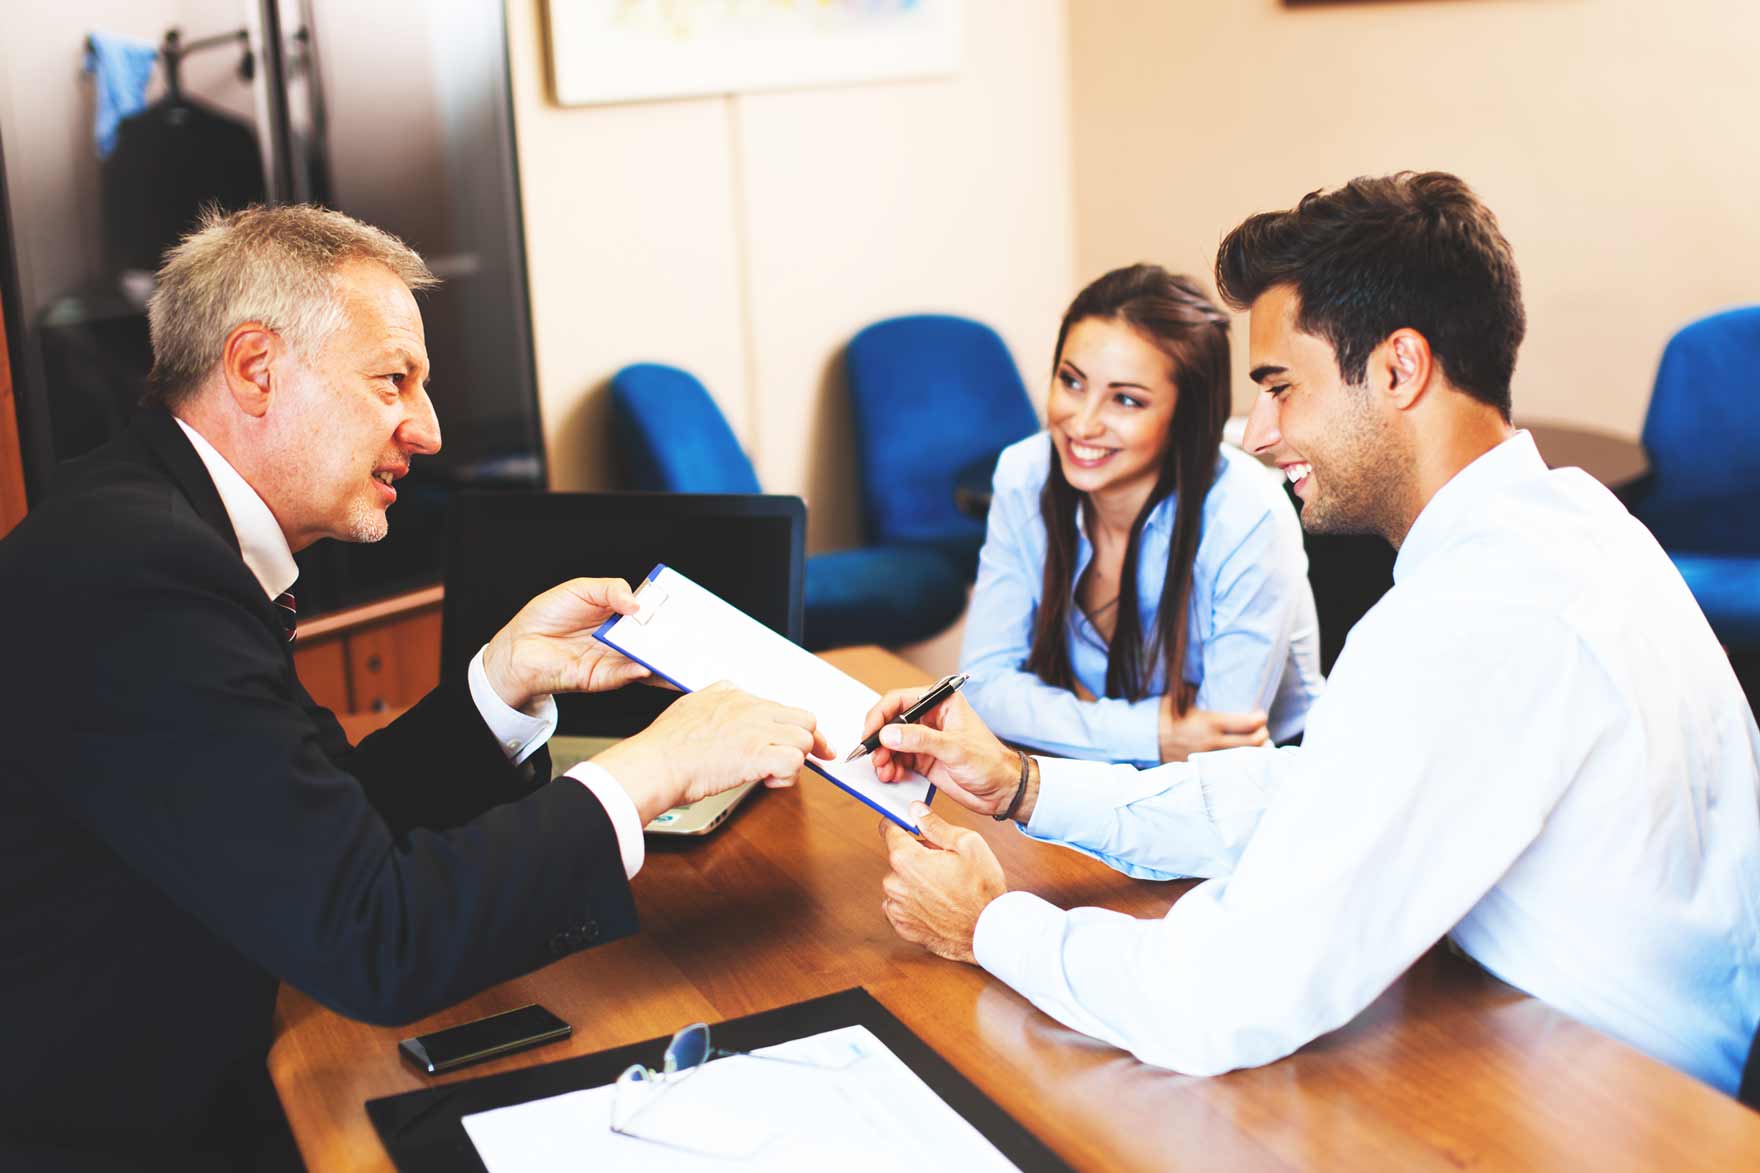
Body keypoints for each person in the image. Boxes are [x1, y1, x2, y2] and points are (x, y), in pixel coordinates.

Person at [866, 172, 1760, 1095]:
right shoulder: (1573, 523)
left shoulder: (1470, 618)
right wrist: (1026, 787)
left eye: (1282, 387)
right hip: (1597, 1051)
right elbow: (1323, 789)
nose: (1258, 433)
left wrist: (989, 923)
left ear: (1399, 368)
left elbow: (1227, 992)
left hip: (1612, 1102)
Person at [0, 205, 828, 1171]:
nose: (428, 430)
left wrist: (500, 685)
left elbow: (316, 823)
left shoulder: (148, 518)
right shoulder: (142, 574)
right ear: (256, 367)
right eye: (394, 379)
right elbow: (374, 933)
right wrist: (652, 769)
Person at [961, 265, 1322, 766]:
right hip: (1096, 773)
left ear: (1185, 416)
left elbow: (1221, 750)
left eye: (1126, 400)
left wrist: (1061, 719)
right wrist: (1152, 734)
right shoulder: (1024, 475)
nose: (1082, 423)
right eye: (1071, 382)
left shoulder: (1248, 515)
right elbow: (982, 687)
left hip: (1263, 786)